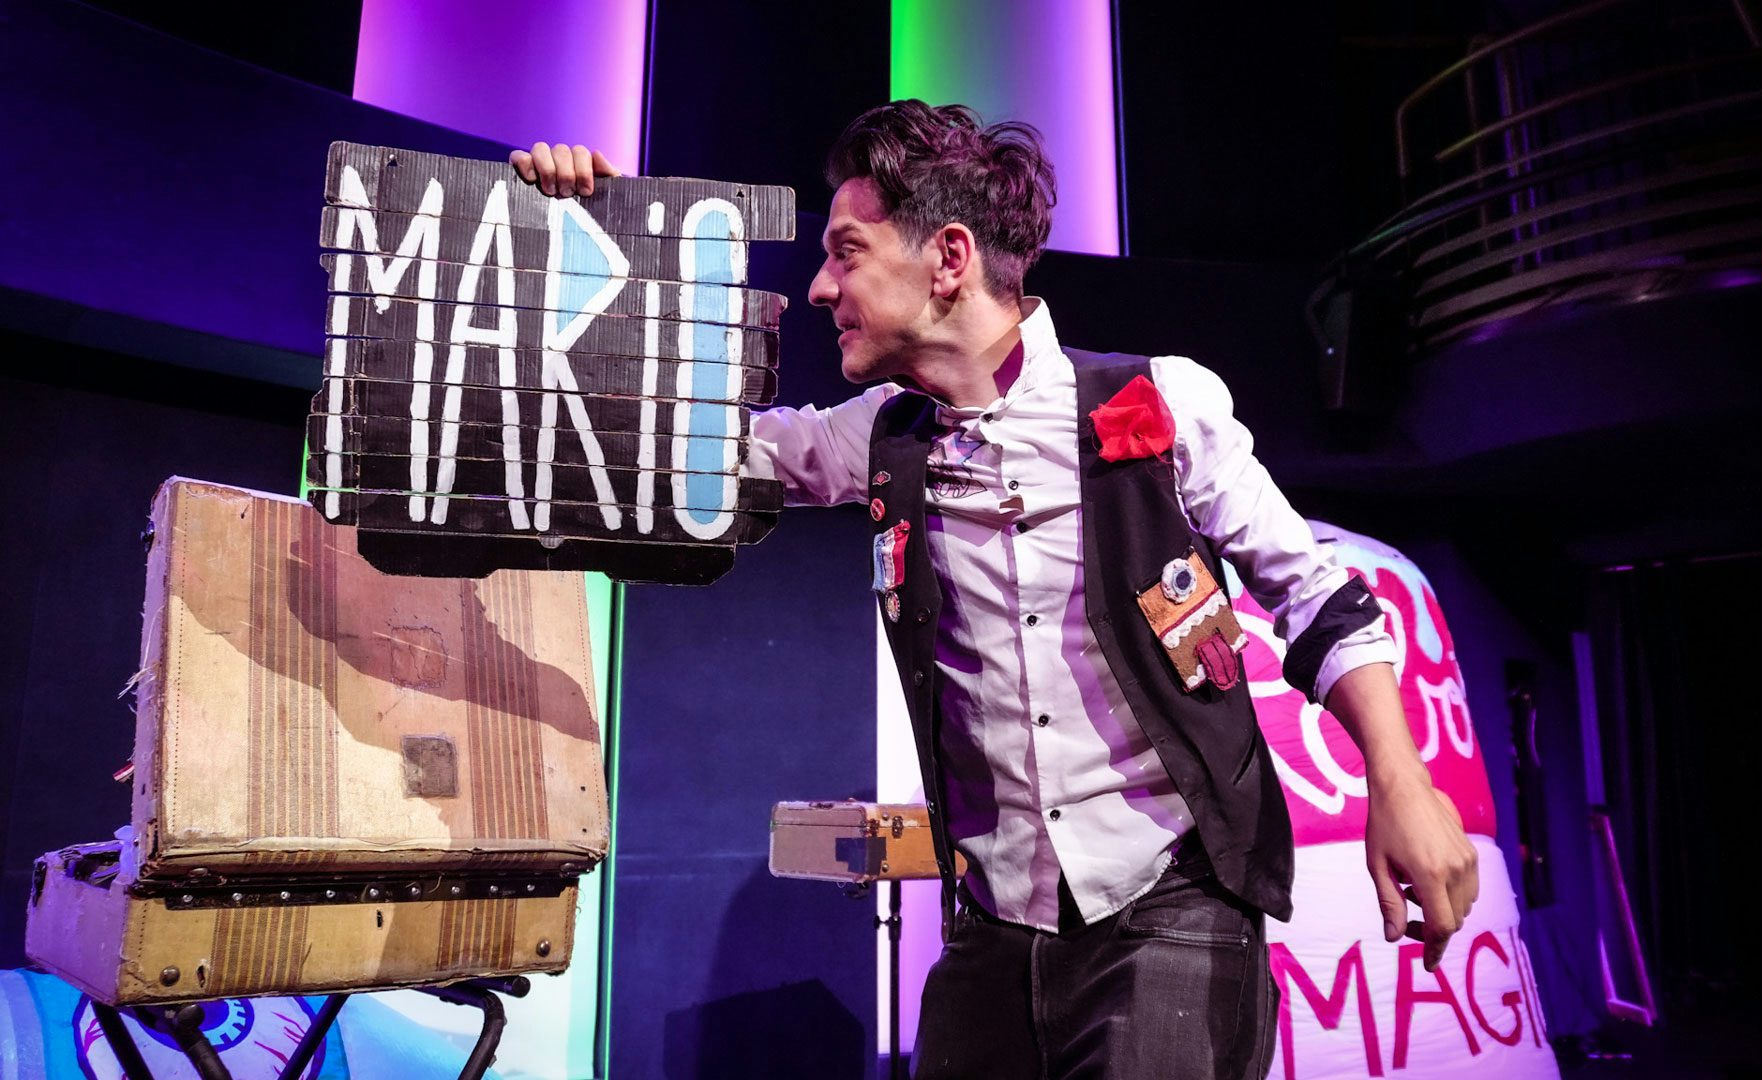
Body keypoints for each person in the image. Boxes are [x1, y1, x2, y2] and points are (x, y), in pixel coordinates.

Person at [512, 101, 1477, 1079]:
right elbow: (667, 454)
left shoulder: (1158, 402)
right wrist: (587, 251)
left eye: (845, 253)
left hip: (1169, 911)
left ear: (949, 258)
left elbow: (1320, 599)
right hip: (992, 935)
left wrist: (1401, 785)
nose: (817, 287)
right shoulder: (881, 437)